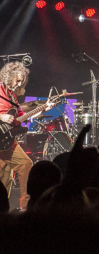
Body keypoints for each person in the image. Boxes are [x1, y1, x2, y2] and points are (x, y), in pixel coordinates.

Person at [0, 61, 37, 209]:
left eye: (22, 81)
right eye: (17, 79)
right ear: (9, 76)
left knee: (23, 165)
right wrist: (1, 117)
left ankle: (24, 207)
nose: (19, 83)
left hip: (6, 141)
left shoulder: (12, 97)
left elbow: (20, 117)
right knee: (4, 175)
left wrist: (41, 109)